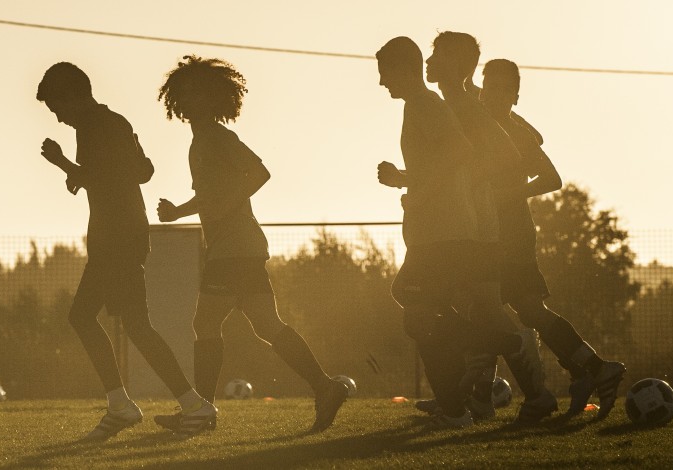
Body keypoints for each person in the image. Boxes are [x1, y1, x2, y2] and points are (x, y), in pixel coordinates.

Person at [153, 55, 348, 433]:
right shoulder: (202, 142)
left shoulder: (218, 137)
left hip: (233, 249)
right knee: (267, 325)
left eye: (198, 94)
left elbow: (260, 172)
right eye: (186, 94)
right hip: (242, 247)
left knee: (205, 322)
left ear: (213, 100)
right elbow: (212, 195)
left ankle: (201, 412)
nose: (191, 101)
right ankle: (326, 387)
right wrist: (179, 211)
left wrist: (225, 206)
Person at [378, 32, 557, 424]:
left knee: (427, 307)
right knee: (472, 310)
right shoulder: (445, 103)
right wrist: (407, 181)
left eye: (436, 55)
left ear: (457, 64)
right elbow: (447, 163)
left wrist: (464, 192)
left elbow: (493, 154)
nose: (429, 61)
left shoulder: (454, 105)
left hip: (466, 230)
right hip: (461, 227)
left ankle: (467, 388)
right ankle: (478, 394)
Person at [36, 62, 216, 441]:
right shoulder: (112, 123)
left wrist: (63, 164)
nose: (58, 117)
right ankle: (180, 404)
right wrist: (81, 173)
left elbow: (107, 177)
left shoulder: (96, 127)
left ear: (74, 96)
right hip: (124, 236)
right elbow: (144, 171)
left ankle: (137, 405)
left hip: (116, 239)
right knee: (133, 325)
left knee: (85, 316)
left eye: (57, 107)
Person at [479, 58, 626, 419]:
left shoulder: (512, 132)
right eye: (488, 85)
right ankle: (589, 368)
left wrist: (510, 195)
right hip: (496, 234)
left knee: (483, 308)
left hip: (510, 236)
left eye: (501, 87)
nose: (491, 92)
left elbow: (552, 178)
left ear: (514, 94)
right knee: (526, 310)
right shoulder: (494, 124)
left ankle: (475, 395)